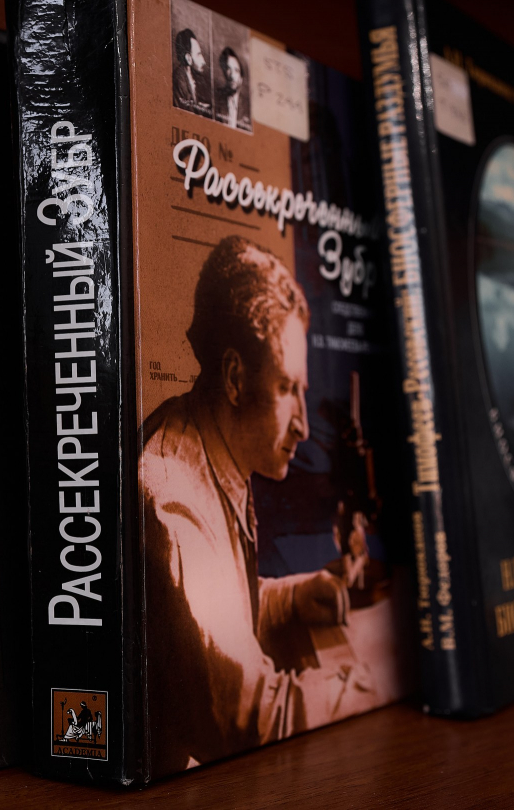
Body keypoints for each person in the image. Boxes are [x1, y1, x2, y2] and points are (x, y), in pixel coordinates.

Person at [141, 236, 372, 774]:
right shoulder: (175, 503)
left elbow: (204, 618)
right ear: (235, 378)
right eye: (287, 389)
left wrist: (292, 598)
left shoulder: (203, 440)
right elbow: (253, 722)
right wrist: (375, 685)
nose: (304, 426)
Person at [172, 27, 211, 118]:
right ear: (188, 58)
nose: (203, 61)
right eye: (198, 55)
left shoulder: (195, 79)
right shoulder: (178, 80)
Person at [213, 46, 251, 131]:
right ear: (224, 72)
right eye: (228, 69)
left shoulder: (248, 107)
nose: (232, 75)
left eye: (236, 70)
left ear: (241, 78)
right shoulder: (216, 98)